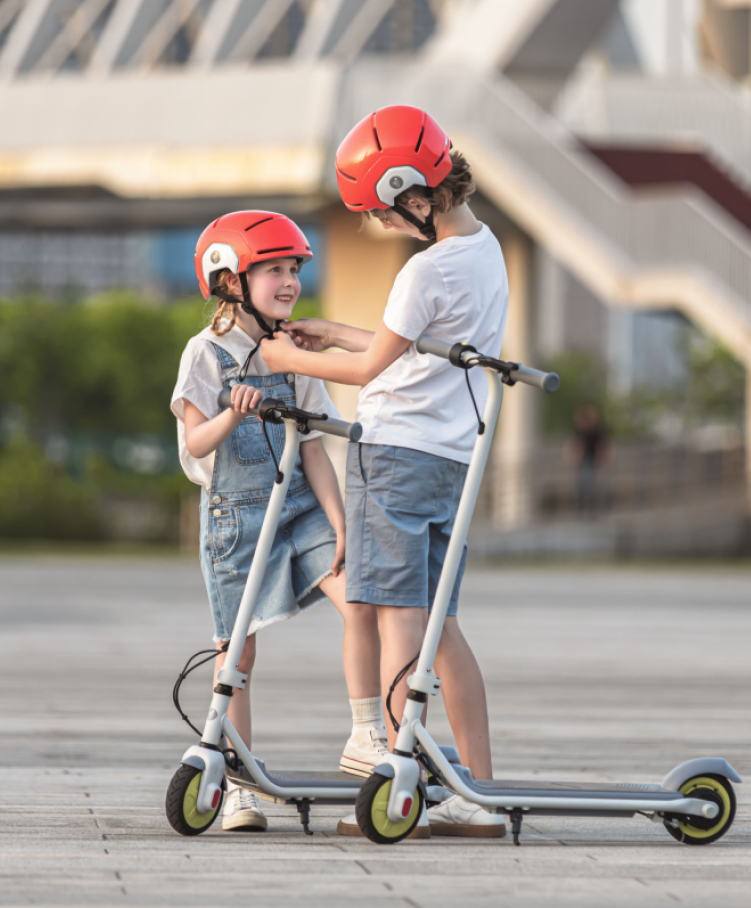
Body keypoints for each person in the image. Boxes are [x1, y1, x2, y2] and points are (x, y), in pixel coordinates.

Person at [261, 106, 507, 838]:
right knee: (439, 626)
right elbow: (418, 345)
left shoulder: (424, 267)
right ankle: (477, 790)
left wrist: (286, 358)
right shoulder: (483, 247)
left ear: (414, 197)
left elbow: (372, 370)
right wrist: (334, 331)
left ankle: (401, 783)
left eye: (383, 214)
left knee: (398, 624)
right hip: (451, 457)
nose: (385, 227)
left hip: (394, 456)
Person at [169, 211, 385, 833]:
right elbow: (197, 441)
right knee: (237, 655)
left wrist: (340, 523)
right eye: (274, 270)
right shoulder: (205, 352)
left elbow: (314, 443)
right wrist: (233, 415)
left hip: (300, 511)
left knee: (362, 599)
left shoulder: (294, 350)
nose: (290, 281)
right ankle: (238, 782)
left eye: (294, 269)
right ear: (231, 281)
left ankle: (366, 732)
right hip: (236, 519)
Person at [564, 403, 612, 514]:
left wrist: (604, 457)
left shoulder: (596, 429)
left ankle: (589, 507)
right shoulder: (580, 430)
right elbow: (574, 444)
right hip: (584, 460)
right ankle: (584, 507)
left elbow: (603, 444)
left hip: (592, 460)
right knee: (585, 483)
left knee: (590, 483)